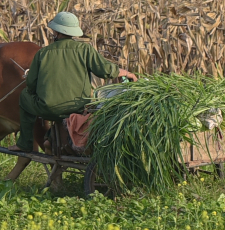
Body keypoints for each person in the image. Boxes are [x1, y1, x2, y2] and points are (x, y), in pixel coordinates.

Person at [7, 12, 132, 172]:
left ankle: (25, 144)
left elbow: (31, 84)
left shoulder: (43, 53)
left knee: (25, 96)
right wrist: (127, 73)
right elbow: (105, 71)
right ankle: (51, 140)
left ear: (56, 32)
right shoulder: (85, 50)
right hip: (77, 109)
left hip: (47, 110)